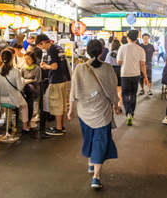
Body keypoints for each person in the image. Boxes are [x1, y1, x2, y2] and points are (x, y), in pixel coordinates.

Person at [68, 39, 121, 190]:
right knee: (100, 141)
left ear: (87, 50)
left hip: (84, 111)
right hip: (102, 112)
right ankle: (96, 177)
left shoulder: (79, 68)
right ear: (101, 51)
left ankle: (92, 162)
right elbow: (112, 89)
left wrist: (71, 108)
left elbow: (74, 90)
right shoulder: (107, 68)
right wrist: (116, 105)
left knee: (89, 137)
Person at [35, 34, 71, 136]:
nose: (41, 49)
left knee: (56, 104)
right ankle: (62, 126)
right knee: (63, 104)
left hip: (57, 80)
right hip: (64, 79)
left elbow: (54, 66)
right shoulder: (58, 47)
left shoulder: (51, 50)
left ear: (42, 43)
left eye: (40, 46)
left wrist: (45, 66)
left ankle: (58, 128)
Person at [0, 49, 29, 133]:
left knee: (7, 108)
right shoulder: (15, 71)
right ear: (12, 59)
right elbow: (20, 88)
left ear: (1, 58)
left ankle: (8, 126)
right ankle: (24, 127)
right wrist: (22, 81)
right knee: (24, 106)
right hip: (13, 99)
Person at [116, 30, 148, 126]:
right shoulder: (141, 49)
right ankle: (132, 113)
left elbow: (118, 61)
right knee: (133, 94)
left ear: (128, 38)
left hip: (125, 75)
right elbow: (143, 65)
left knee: (125, 94)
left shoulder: (122, 48)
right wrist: (145, 77)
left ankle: (128, 112)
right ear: (136, 38)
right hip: (136, 75)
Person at [21, 51, 41, 129]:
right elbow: (20, 80)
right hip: (25, 88)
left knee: (29, 99)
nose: (26, 61)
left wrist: (28, 81)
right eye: (25, 59)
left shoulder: (37, 68)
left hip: (34, 89)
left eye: (28, 59)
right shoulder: (23, 69)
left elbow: (36, 81)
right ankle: (25, 121)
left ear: (33, 60)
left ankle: (28, 120)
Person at [104, 39, 122, 106]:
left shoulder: (109, 53)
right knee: (119, 89)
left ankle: (112, 103)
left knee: (111, 88)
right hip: (120, 71)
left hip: (112, 71)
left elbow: (106, 63)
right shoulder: (121, 53)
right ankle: (119, 105)